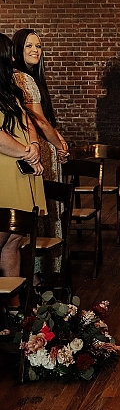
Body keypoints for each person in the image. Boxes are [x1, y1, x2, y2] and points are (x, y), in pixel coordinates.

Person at [12, 29, 69, 276]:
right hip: (40, 149)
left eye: (38, 46)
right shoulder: (24, 79)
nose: (36, 50)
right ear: (15, 51)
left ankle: (34, 272)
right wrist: (57, 144)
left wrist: (59, 137)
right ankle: (43, 271)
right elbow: (37, 119)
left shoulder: (19, 78)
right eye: (28, 46)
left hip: (40, 144)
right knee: (43, 207)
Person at [0, 33, 45, 333]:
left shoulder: (10, 90)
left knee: (15, 240)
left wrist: (35, 146)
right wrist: (27, 154)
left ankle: (14, 307)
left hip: (22, 173)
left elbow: (28, 123)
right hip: (5, 173)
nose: (14, 59)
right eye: (9, 55)